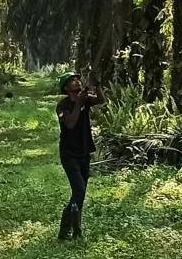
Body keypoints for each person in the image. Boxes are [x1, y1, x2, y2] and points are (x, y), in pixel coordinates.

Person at [55, 72, 103, 240]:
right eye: (72, 81)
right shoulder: (63, 105)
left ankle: (69, 230)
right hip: (69, 154)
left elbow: (101, 100)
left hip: (84, 152)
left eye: (77, 79)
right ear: (66, 88)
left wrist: (97, 85)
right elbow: (70, 124)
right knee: (79, 189)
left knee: (79, 193)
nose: (77, 81)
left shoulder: (85, 99)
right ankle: (73, 230)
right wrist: (79, 103)